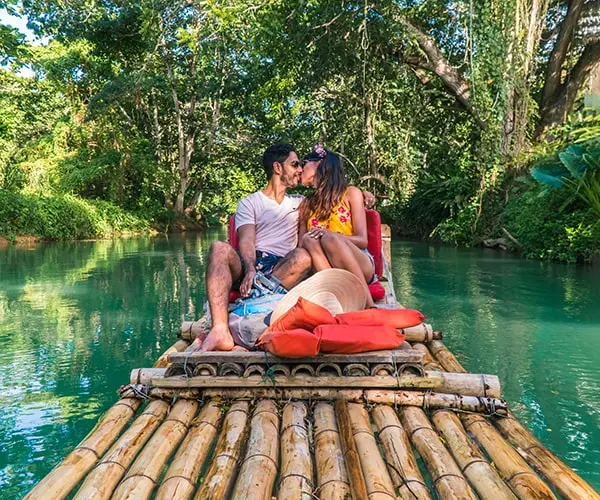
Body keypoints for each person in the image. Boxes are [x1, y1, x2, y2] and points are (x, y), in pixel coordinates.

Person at [191, 143, 313, 352]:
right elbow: (246, 241)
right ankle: (220, 330)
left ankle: (256, 294)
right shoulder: (249, 203)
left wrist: (361, 193)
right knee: (219, 248)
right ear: (277, 168)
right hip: (252, 263)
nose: (300, 169)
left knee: (303, 257)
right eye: (294, 164)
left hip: (281, 269)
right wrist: (250, 269)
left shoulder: (300, 202)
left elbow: (336, 194)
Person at [299, 147, 376, 307]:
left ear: (319, 164)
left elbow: (362, 241)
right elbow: (301, 245)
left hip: (358, 261)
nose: (299, 169)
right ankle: (336, 296)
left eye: (303, 163)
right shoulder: (306, 203)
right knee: (308, 239)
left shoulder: (351, 193)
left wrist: (327, 235)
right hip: (323, 265)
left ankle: (368, 304)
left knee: (328, 237)